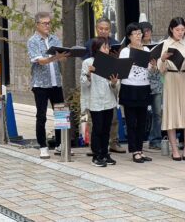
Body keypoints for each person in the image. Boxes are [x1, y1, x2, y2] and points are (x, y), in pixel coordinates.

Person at [27, 12, 70, 159]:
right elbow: (41, 61)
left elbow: (60, 60)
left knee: (61, 114)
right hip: (40, 85)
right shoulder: (32, 41)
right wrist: (55, 57)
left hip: (56, 83)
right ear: (37, 24)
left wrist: (64, 56)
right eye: (44, 23)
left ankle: (60, 144)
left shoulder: (54, 39)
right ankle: (43, 146)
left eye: (49, 23)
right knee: (41, 116)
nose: (47, 26)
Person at [82, 17, 125, 154]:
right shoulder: (89, 48)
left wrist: (114, 82)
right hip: (94, 94)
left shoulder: (115, 45)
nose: (103, 31)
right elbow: (84, 80)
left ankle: (110, 145)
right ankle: (95, 149)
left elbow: (116, 81)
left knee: (110, 121)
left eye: (106, 29)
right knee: (96, 124)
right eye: (101, 28)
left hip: (109, 95)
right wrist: (89, 74)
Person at [158, 17, 185, 161]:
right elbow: (160, 69)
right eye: (177, 30)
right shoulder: (166, 44)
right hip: (171, 79)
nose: (180, 33)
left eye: (182, 30)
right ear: (171, 29)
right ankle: (174, 149)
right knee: (171, 114)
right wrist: (162, 59)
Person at [80, 37, 120, 167]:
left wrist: (114, 83)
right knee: (98, 128)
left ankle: (105, 153)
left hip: (108, 100)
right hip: (95, 101)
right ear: (96, 49)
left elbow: (113, 85)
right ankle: (96, 155)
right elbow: (84, 83)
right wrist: (88, 74)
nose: (107, 49)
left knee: (106, 128)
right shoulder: (87, 62)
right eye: (104, 47)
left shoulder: (111, 62)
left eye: (108, 47)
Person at [119, 23, 155, 163]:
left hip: (144, 87)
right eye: (135, 34)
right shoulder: (124, 52)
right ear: (129, 37)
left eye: (140, 33)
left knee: (142, 121)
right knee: (131, 121)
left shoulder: (146, 49)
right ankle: (134, 150)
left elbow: (150, 71)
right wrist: (132, 62)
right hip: (129, 87)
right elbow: (122, 71)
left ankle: (140, 149)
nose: (139, 36)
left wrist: (153, 66)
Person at [139, 21, 163, 150]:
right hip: (141, 83)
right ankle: (140, 139)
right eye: (145, 30)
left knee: (157, 113)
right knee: (141, 112)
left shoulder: (157, 46)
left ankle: (155, 139)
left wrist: (155, 65)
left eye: (149, 30)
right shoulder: (136, 47)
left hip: (156, 83)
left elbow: (161, 68)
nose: (147, 33)